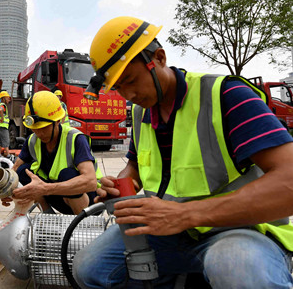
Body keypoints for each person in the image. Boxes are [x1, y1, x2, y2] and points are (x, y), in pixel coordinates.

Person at [73, 16, 293, 288]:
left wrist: (185, 215)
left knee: (237, 267)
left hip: (236, 230)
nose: (127, 95)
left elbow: (289, 182)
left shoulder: (226, 96)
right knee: (89, 268)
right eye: (118, 88)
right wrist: (122, 183)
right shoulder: (142, 111)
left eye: (130, 80)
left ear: (159, 58)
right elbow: (137, 165)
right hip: (169, 233)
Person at [0, 90, 103, 215]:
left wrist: (45, 189)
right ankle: (48, 215)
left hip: (90, 203)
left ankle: (80, 224)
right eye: (35, 129)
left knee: (68, 174)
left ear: (58, 121)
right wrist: (4, 189)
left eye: (44, 128)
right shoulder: (32, 140)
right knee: (23, 171)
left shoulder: (75, 139)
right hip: (59, 195)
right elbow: (15, 168)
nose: (39, 134)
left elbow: (90, 182)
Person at [0, 91, 11, 158]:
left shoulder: (1, 104)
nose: (8, 100)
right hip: (3, 126)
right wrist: (2, 118)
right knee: (6, 140)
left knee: (1, 141)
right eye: (7, 98)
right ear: (3, 98)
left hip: (0, 126)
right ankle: (8, 155)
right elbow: (0, 110)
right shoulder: (3, 105)